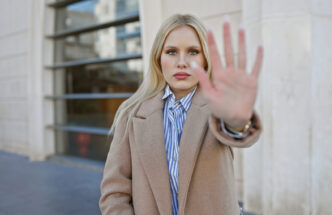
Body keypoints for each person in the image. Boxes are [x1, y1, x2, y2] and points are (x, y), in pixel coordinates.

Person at [99, 14, 263, 215]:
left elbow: (235, 130)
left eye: (193, 51)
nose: (182, 62)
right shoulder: (131, 113)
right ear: (158, 58)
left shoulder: (218, 109)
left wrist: (238, 122)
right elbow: (114, 193)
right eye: (171, 52)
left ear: (205, 60)